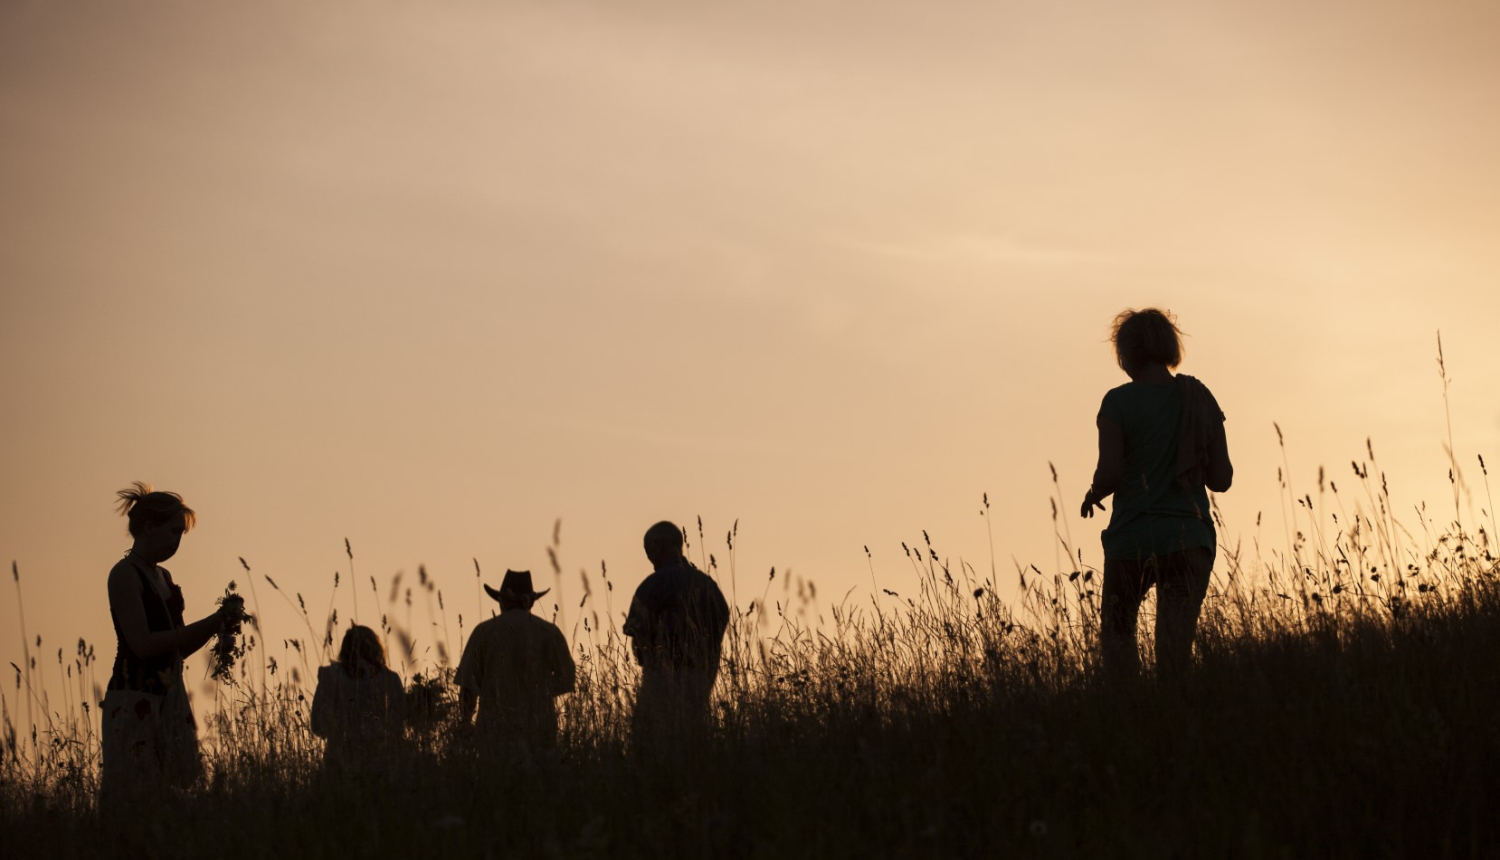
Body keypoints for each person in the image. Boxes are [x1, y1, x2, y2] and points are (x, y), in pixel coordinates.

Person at [1081, 309, 1233, 679]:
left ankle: (1130, 718)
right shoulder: (1198, 398)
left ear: (1126, 353)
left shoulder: (1117, 403)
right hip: (1188, 539)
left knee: (1118, 638)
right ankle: (1176, 721)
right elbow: (1222, 479)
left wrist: (1094, 492)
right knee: (1174, 652)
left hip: (1131, 540)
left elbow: (1111, 472)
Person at [101, 482, 243, 804]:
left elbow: (175, 647)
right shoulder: (124, 575)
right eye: (174, 531)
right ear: (149, 528)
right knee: (133, 795)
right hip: (134, 696)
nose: (178, 541)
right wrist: (211, 621)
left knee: (177, 787)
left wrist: (216, 627)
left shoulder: (163, 578)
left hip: (170, 694)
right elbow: (144, 645)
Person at [623, 521, 730, 745]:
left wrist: (651, 658)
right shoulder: (708, 584)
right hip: (703, 675)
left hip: (662, 678)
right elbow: (722, 619)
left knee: (648, 736)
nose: (647, 556)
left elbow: (637, 634)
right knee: (693, 731)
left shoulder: (654, 584)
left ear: (658, 545)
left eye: (647, 549)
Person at [455, 570, 575, 752]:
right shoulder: (548, 632)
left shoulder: (484, 631)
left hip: (493, 733)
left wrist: (465, 721)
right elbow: (567, 680)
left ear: (502, 601)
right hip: (539, 731)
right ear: (531, 602)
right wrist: (537, 692)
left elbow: (468, 686)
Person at [310, 625, 406, 766]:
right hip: (381, 763)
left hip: (338, 763)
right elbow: (397, 726)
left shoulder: (330, 677)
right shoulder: (390, 680)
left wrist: (339, 730)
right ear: (376, 648)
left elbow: (316, 726)